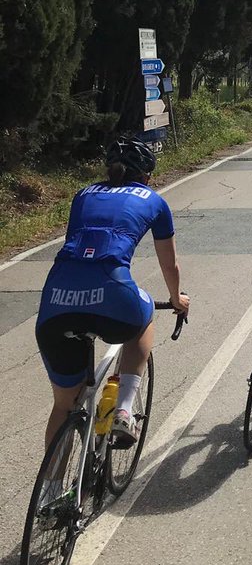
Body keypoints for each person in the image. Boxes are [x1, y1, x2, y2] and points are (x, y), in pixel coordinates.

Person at [35, 138, 189, 451]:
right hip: (112, 295)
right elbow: (169, 264)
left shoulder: (84, 194)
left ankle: (51, 491)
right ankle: (123, 408)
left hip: (56, 301)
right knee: (143, 317)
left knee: (64, 406)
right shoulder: (153, 200)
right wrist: (176, 299)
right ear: (147, 175)